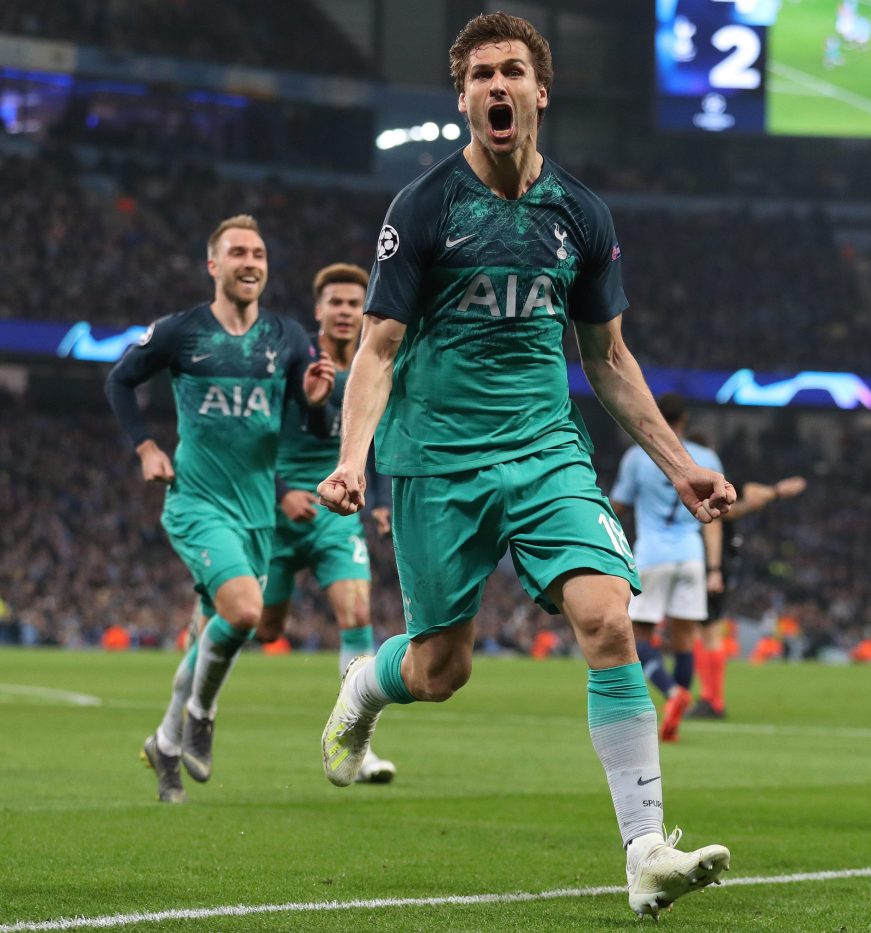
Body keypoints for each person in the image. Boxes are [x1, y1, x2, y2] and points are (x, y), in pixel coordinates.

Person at [316, 13, 734, 919]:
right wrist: (352, 459)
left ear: (541, 91)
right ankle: (364, 683)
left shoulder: (580, 214)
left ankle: (645, 848)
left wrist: (677, 465)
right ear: (462, 98)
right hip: (436, 459)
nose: (495, 87)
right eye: (478, 75)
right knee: (440, 670)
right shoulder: (423, 207)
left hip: (544, 451)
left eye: (511, 71)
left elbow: (609, 359)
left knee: (607, 618)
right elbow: (378, 350)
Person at [105, 214, 334, 804]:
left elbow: (305, 424)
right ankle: (202, 718)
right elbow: (118, 381)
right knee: (245, 610)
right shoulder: (182, 332)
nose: (250, 261)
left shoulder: (286, 339)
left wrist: (312, 404)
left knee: (216, 632)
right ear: (214, 265)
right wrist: (146, 445)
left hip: (258, 513)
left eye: (258, 252)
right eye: (237, 252)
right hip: (198, 503)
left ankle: (164, 743)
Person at [258, 262, 395, 783]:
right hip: (279, 510)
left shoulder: (374, 367)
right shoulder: (291, 364)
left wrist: (380, 501)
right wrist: (278, 491)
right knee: (266, 626)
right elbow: (251, 433)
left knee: (357, 610)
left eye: (352, 303)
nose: (343, 312)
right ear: (318, 311)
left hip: (335, 513)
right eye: (334, 302)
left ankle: (357, 740)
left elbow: (377, 441)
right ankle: (210, 621)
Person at [609, 393, 724, 744]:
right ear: (685, 421)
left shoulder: (637, 456)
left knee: (640, 634)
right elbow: (716, 516)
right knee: (684, 638)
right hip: (691, 556)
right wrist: (714, 568)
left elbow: (620, 505)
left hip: (653, 554)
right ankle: (678, 715)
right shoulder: (706, 457)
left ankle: (672, 693)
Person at [688, 474, 807, 720]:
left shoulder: (703, 484)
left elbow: (740, 502)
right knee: (708, 631)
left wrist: (713, 570)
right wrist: (776, 491)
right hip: (719, 564)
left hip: (708, 564)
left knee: (704, 632)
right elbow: (750, 495)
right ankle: (712, 700)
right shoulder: (717, 479)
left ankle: (711, 700)